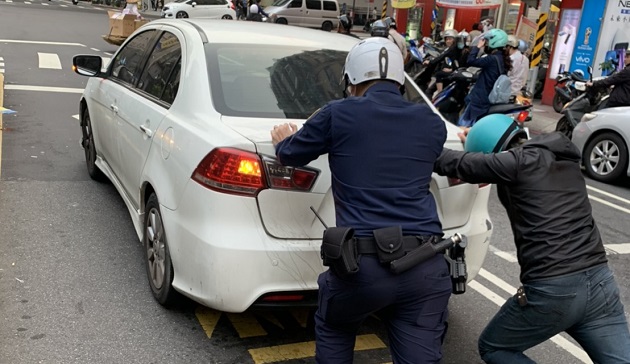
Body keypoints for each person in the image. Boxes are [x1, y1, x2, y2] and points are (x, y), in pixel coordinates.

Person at [270, 37, 451, 363]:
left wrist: (283, 140)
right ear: (399, 80)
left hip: (361, 269)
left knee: (336, 327)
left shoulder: (338, 114)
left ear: (350, 81)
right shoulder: (431, 122)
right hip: (426, 264)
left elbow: (291, 154)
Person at [434, 114, 630, 364]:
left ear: (496, 153)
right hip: (601, 282)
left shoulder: (517, 163)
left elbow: (455, 163)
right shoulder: (562, 158)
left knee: (495, 347)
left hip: (553, 288)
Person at [458, 28, 512, 127]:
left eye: (487, 41)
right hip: (489, 97)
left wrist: (477, 47)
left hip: (480, 99)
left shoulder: (491, 59)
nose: (485, 44)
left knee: (465, 126)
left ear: (494, 42)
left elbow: (470, 61)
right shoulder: (502, 59)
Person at [424, 28, 461, 95]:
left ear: (455, 40)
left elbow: (441, 57)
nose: (448, 41)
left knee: (438, 75)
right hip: (453, 70)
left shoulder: (452, 49)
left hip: (453, 72)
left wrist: (430, 62)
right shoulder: (453, 48)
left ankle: (440, 95)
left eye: (450, 39)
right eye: (446, 39)